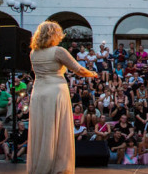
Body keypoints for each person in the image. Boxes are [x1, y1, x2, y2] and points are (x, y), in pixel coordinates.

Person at [27, 21, 97, 174]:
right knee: (57, 129)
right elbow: (78, 69)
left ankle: (41, 164)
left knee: (42, 129)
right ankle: (57, 166)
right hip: (55, 91)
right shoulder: (58, 51)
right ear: (54, 35)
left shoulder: (33, 52)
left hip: (38, 91)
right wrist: (92, 73)